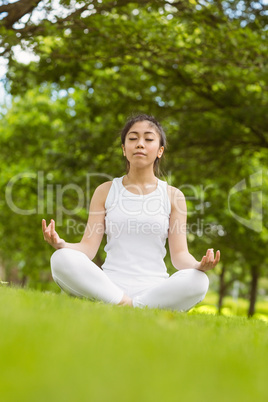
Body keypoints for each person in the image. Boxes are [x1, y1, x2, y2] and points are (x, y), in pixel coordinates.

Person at [42, 113, 220, 311]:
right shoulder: (105, 190)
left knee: (199, 281)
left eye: (149, 139)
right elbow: (88, 249)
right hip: (109, 285)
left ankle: (134, 305)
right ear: (124, 149)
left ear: (160, 151)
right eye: (133, 138)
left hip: (155, 288)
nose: (140, 144)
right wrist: (62, 244)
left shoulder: (174, 196)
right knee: (60, 258)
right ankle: (125, 302)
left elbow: (179, 256)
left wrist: (199, 265)